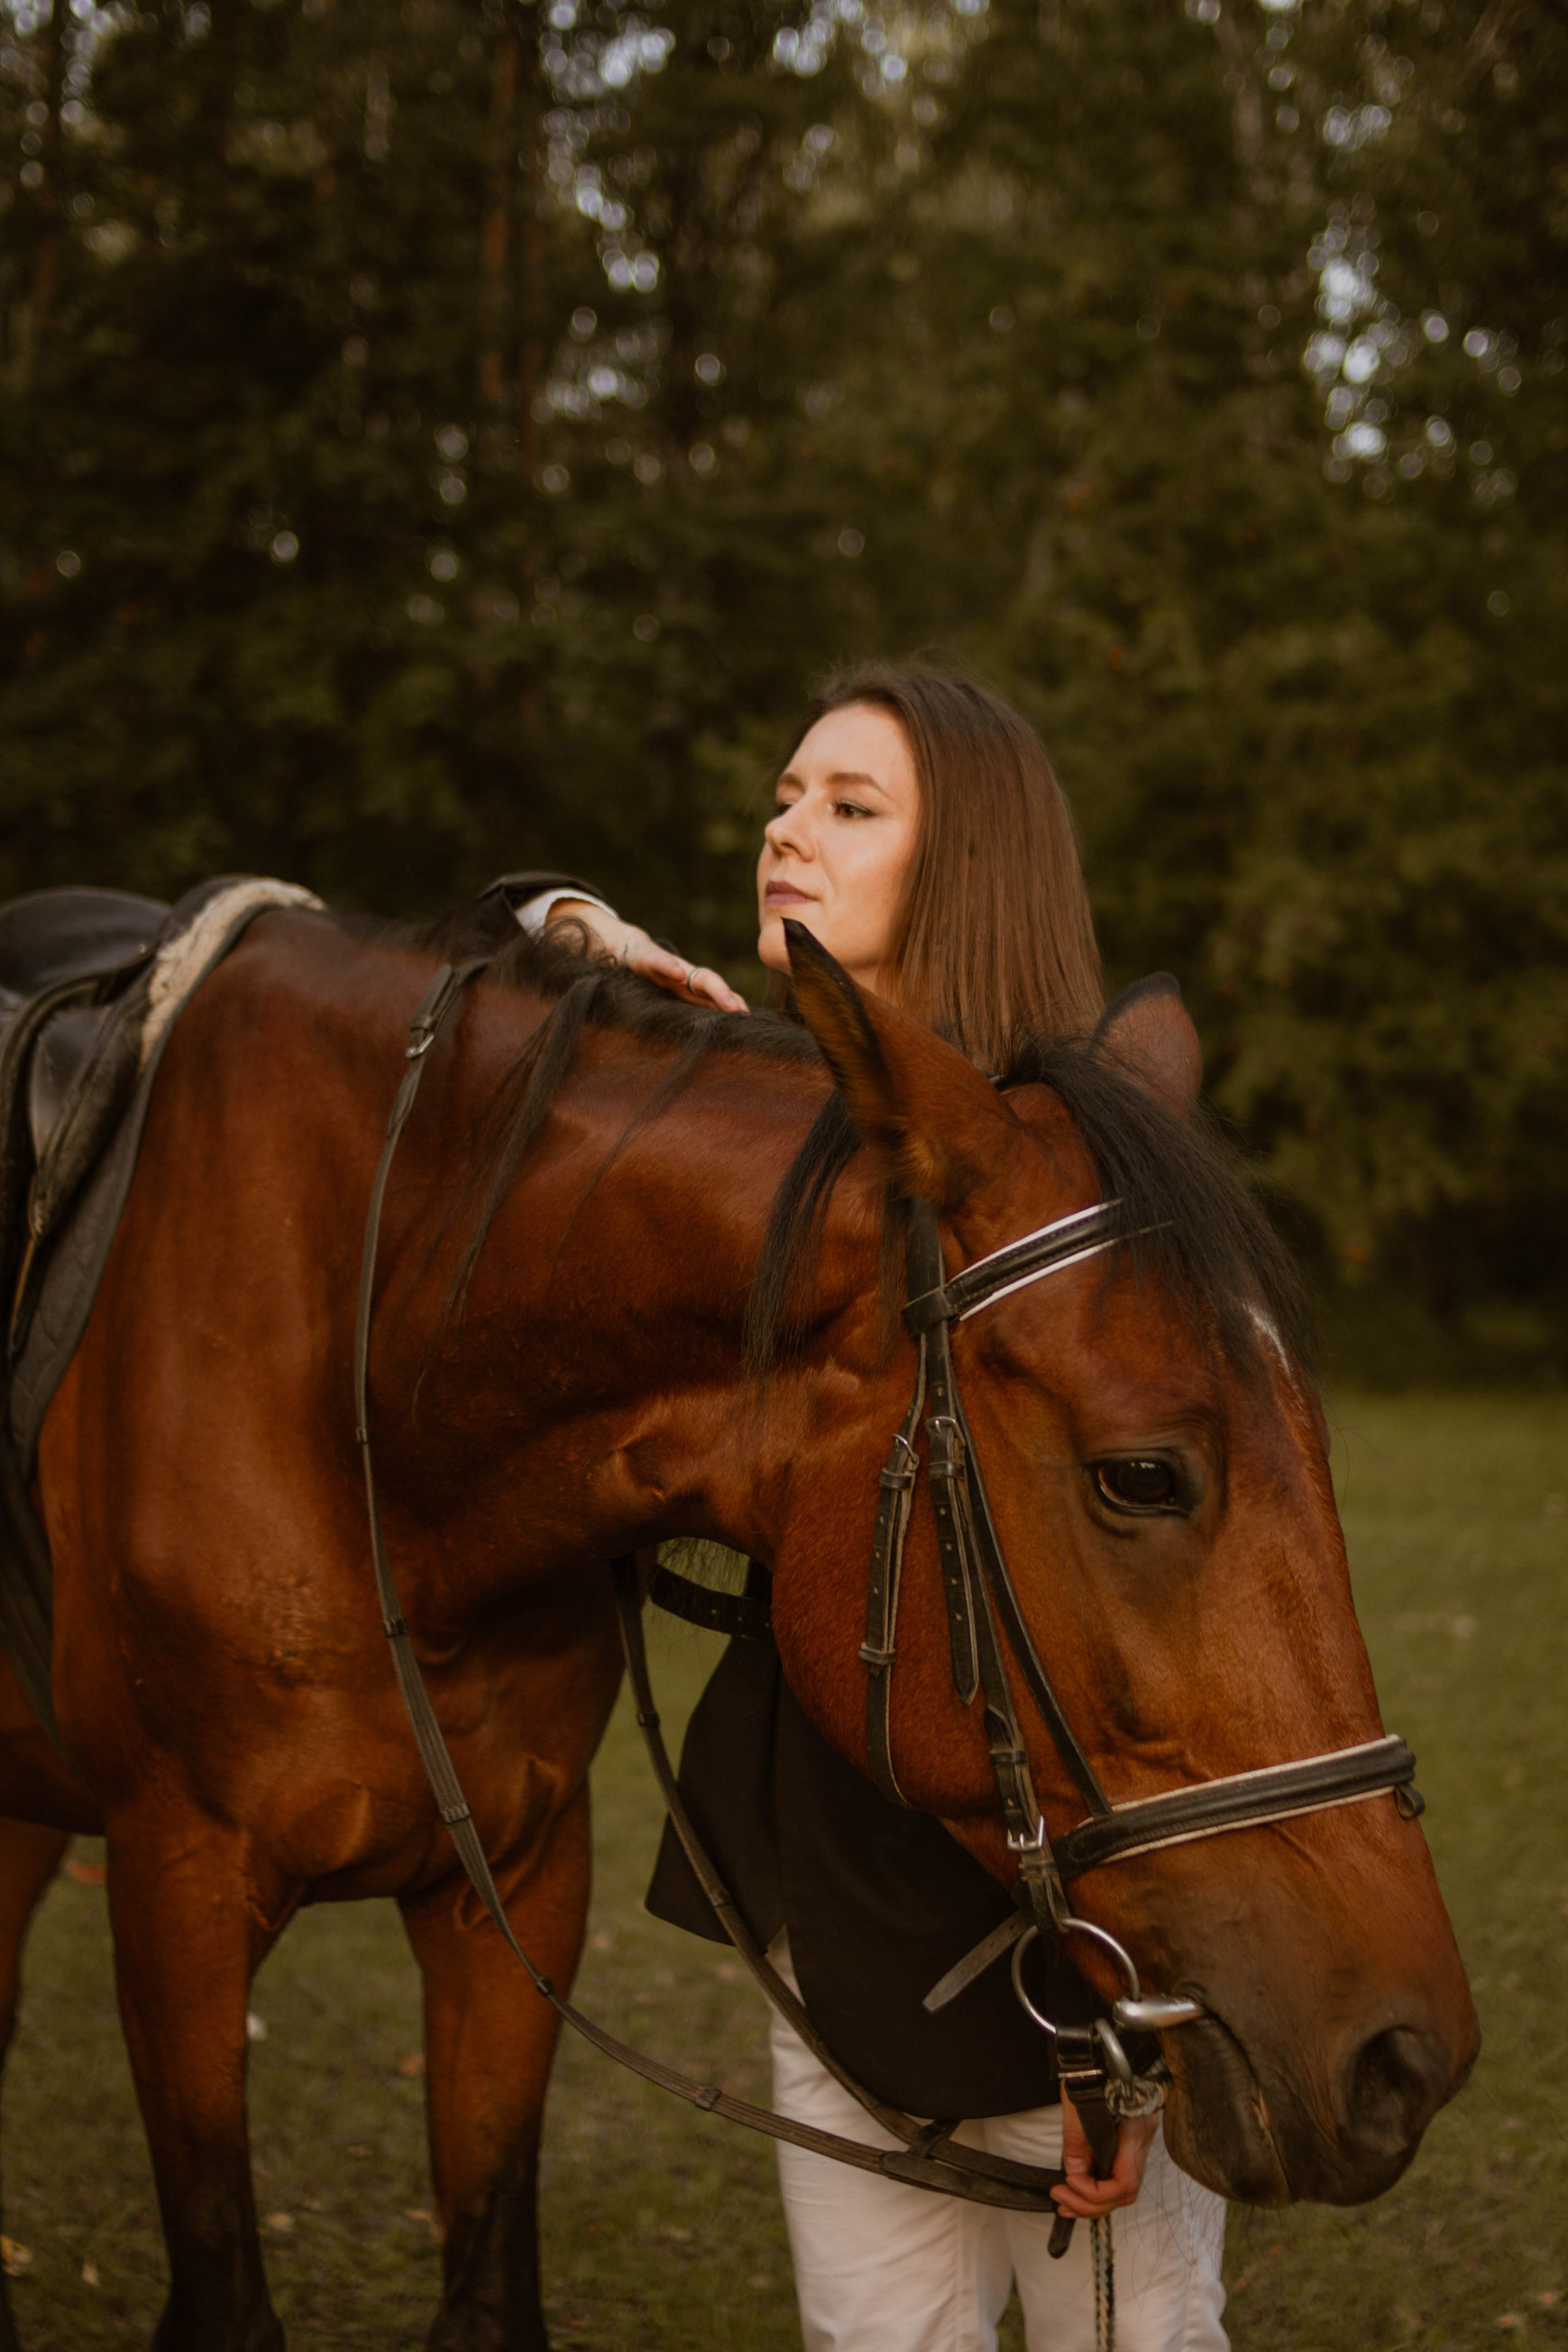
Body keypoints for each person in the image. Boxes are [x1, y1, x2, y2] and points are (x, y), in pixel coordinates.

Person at [512, 665, 1228, 2352]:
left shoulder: (1079, 1177)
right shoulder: (760, 1126)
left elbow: (1160, 1630)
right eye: (784, 795)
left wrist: (1124, 2030)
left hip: (1075, 1936)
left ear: (960, 863)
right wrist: (567, 936)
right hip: (833, 1910)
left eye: (848, 806)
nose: (786, 831)